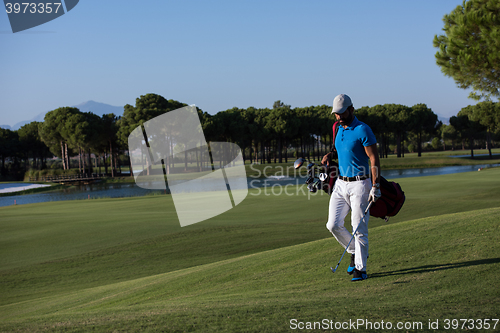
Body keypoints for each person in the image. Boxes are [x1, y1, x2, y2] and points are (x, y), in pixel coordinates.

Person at [321, 94, 381, 281]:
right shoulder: (338, 128)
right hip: (341, 183)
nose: (338, 116)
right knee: (332, 224)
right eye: (335, 113)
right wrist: (329, 155)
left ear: (351, 109)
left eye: (341, 113)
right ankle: (355, 250)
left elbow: (374, 158)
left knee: (358, 226)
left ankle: (360, 269)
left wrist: (375, 185)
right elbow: (341, 150)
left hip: (361, 184)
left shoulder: (363, 129)